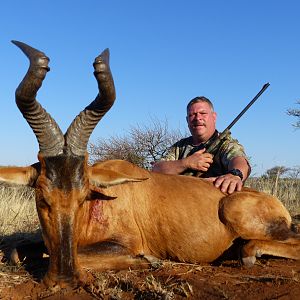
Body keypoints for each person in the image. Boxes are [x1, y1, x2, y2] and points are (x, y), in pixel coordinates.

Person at [152, 96, 251, 194]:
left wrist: (236, 175)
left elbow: (240, 161)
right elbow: (156, 169)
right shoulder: (179, 146)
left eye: (203, 113)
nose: (198, 118)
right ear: (187, 120)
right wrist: (186, 163)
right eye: (192, 115)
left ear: (214, 117)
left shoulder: (225, 144)